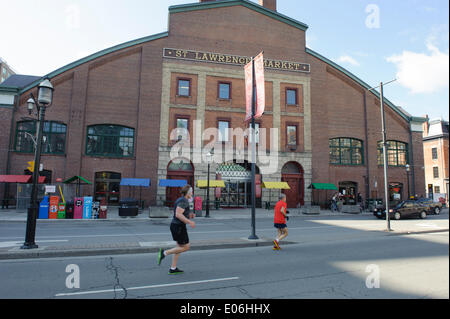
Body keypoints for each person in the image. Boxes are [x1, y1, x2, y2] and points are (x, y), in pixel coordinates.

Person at [157, 185, 196, 274]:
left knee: (179, 247)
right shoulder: (184, 200)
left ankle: (173, 268)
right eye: (191, 191)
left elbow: (179, 213)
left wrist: (189, 215)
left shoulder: (180, 199)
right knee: (186, 247)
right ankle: (164, 253)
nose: (192, 193)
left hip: (176, 226)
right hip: (179, 227)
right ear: (188, 192)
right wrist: (190, 222)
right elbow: (178, 214)